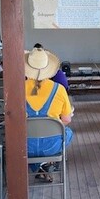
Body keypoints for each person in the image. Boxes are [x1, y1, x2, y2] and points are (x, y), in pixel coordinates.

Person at [25, 47, 74, 177]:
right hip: (51, 145)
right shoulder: (59, 89)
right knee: (68, 132)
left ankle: (39, 165)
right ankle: (45, 162)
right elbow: (67, 120)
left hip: (24, 146)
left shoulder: (17, 89)